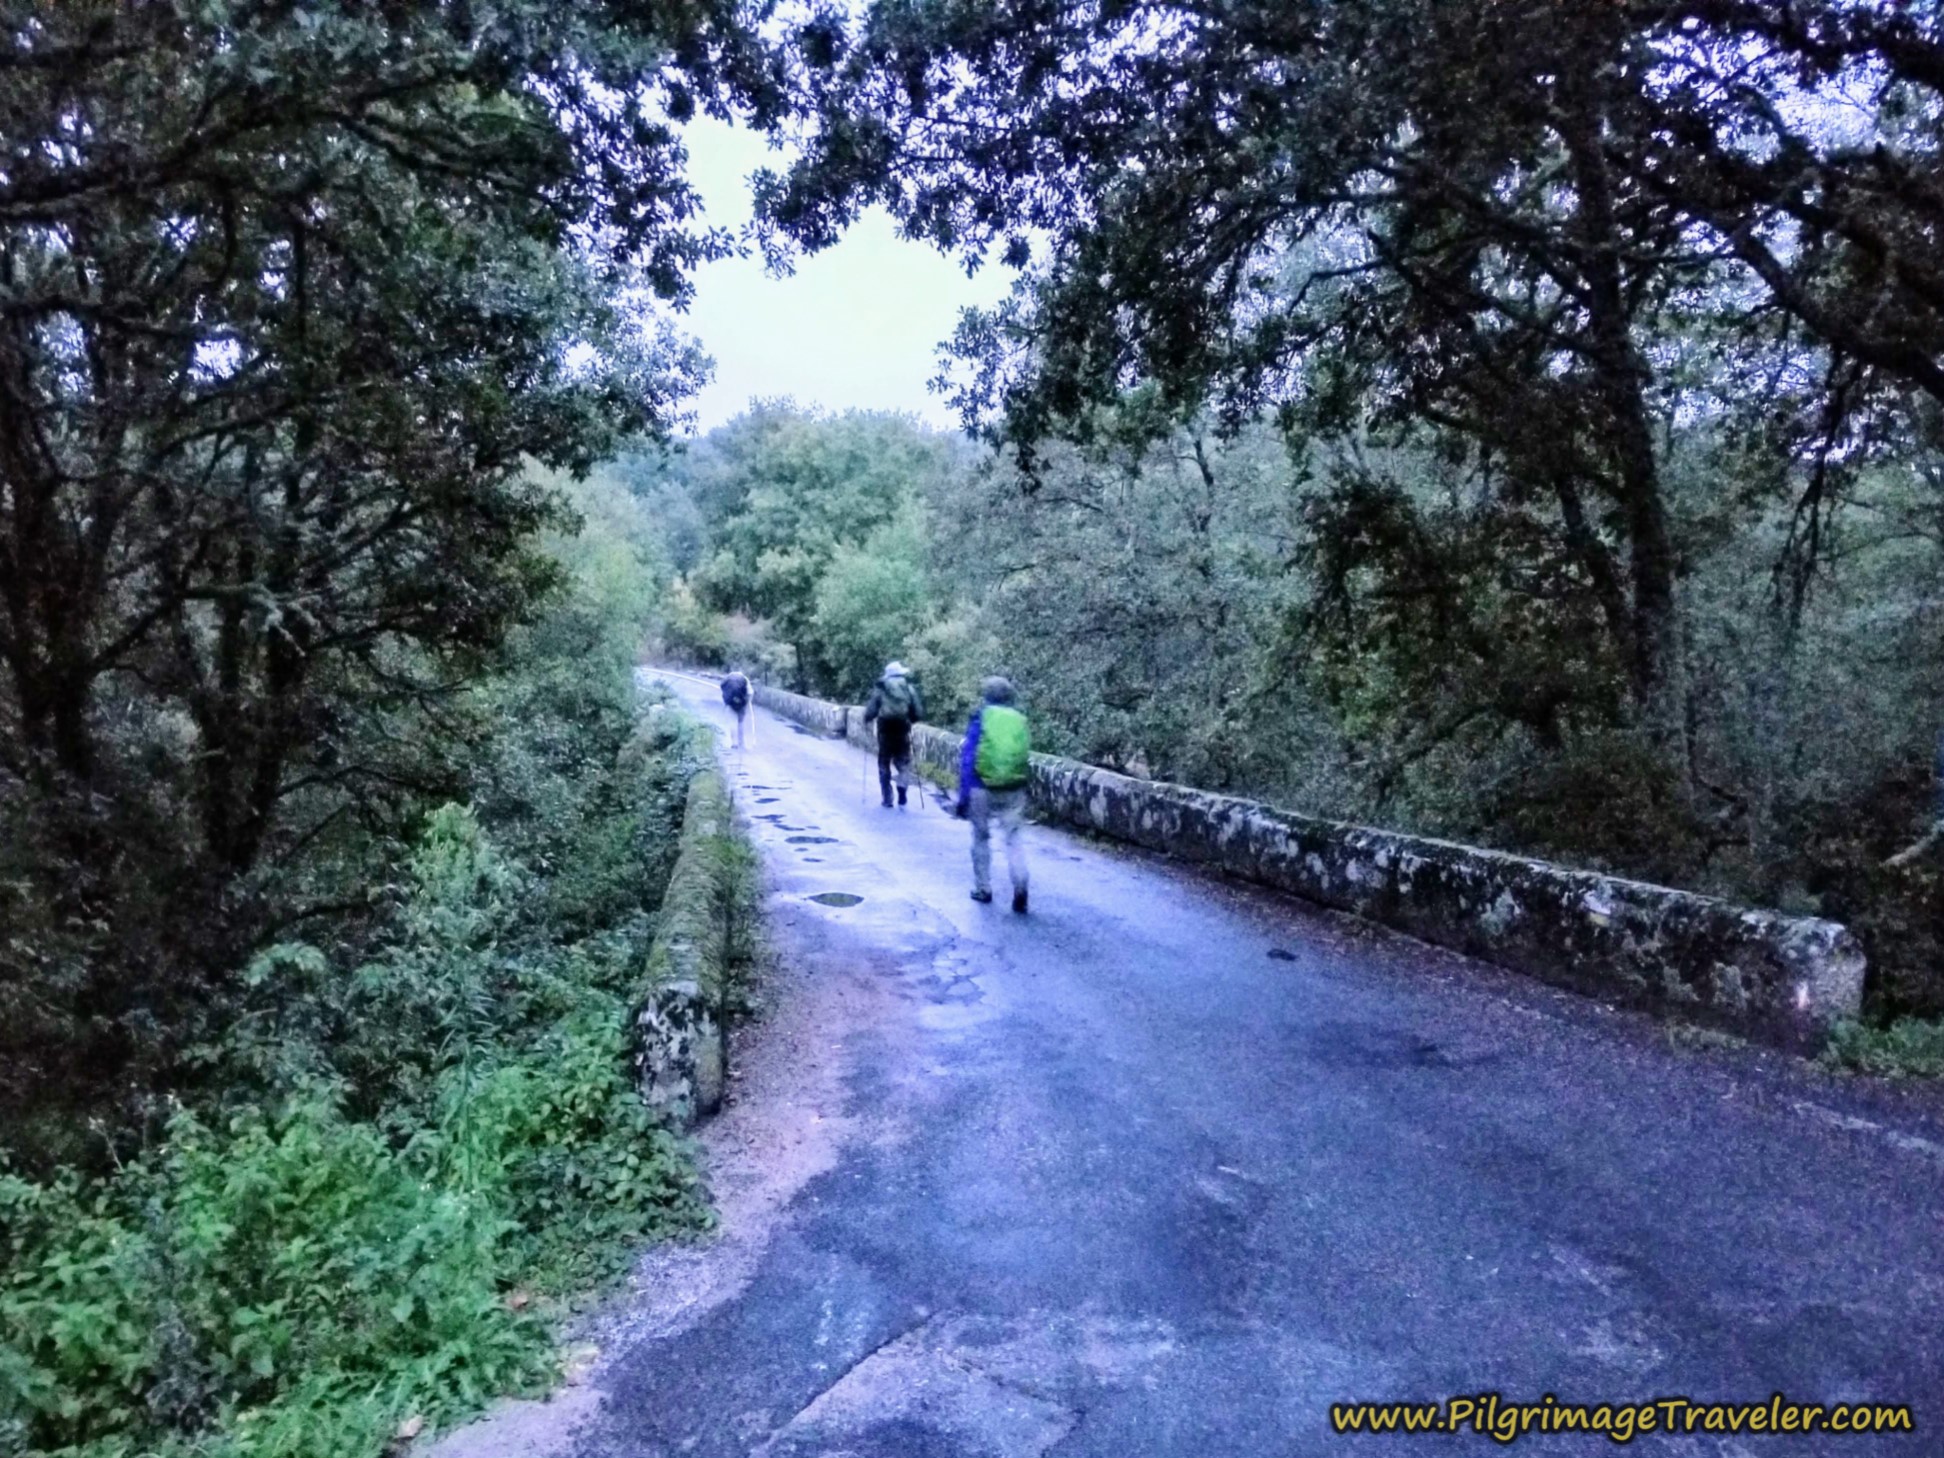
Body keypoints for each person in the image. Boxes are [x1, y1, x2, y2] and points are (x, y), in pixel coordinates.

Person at [956, 676, 1031, 912]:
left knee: (980, 837)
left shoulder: (982, 717)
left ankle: (983, 888)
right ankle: (1020, 886)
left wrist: (963, 795)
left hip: (982, 786)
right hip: (1014, 787)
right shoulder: (1020, 719)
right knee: (1013, 838)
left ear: (987, 696)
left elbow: (969, 757)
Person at [861, 661, 923, 808]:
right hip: (902, 729)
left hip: (885, 729)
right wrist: (910, 720)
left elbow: (871, 710)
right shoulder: (909, 688)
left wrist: (866, 719)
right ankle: (902, 792)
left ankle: (887, 798)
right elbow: (918, 712)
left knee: (884, 762)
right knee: (903, 762)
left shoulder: (881, 688)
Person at [719, 667, 750, 750]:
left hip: (730, 703)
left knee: (732, 722)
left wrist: (726, 699)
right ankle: (741, 743)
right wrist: (747, 702)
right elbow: (750, 692)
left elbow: (722, 687)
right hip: (742, 703)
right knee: (740, 722)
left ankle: (734, 743)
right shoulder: (744, 678)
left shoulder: (728, 678)